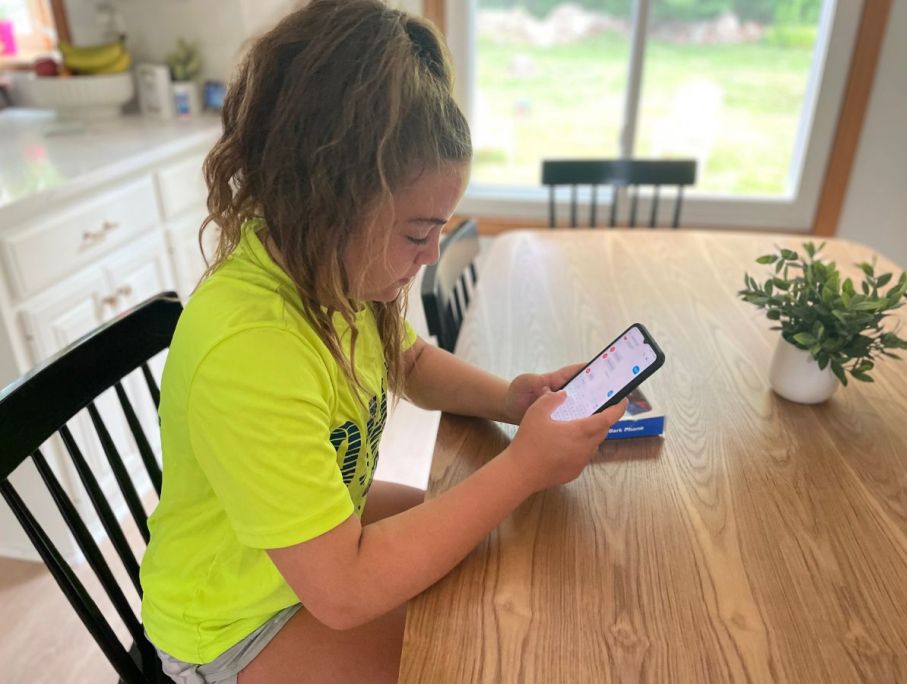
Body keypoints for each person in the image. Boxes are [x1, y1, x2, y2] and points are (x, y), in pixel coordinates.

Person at [139, 1, 628, 682]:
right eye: (415, 232)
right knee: (475, 653)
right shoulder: (251, 350)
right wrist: (524, 467)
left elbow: (411, 361)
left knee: (506, 561)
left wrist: (511, 401)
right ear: (328, 199)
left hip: (313, 547)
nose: (430, 257)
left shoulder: (328, 271)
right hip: (235, 621)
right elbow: (344, 594)